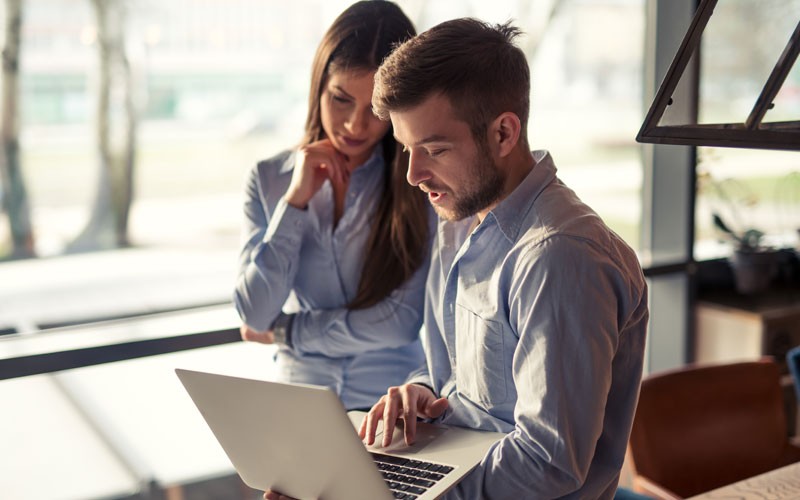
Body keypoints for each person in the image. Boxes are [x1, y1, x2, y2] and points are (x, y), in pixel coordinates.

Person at [358, 18, 650, 499]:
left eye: (433, 149)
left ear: (503, 133)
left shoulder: (559, 258)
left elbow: (548, 461)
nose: (413, 175)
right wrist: (424, 393)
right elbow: (451, 375)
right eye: (407, 149)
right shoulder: (457, 221)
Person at [234, 0, 432, 412]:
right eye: (341, 99)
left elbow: (399, 323)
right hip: (298, 409)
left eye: (375, 109)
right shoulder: (270, 180)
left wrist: (288, 331)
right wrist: (296, 202)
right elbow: (254, 313)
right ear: (318, 86)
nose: (356, 126)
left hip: (392, 412)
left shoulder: (420, 184)